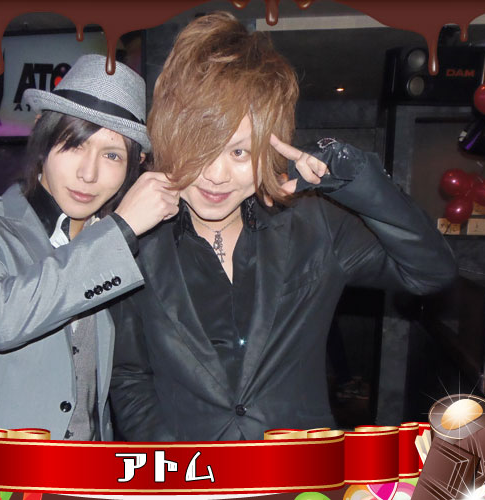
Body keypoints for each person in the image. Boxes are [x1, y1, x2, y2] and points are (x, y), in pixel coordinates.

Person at [109, 12, 457, 441]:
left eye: (239, 152)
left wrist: (352, 176)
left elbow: (432, 272)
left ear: (269, 148)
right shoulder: (137, 239)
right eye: (201, 149)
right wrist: (176, 466)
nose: (216, 175)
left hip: (299, 470)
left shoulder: (315, 222)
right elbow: (129, 375)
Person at [0, 54, 179, 439]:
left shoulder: (120, 247)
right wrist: (122, 228)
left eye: (111, 155)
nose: (88, 173)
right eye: (74, 144)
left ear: (134, 165)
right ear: (43, 139)